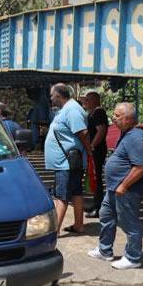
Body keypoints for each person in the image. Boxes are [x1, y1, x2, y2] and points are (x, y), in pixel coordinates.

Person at [87, 103, 143, 269]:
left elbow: (140, 168)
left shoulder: (137, 137)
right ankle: (104, 250)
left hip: (126, 189)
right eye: (113, 115)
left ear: (129, 119)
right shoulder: (126, 134)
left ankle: (133, 257)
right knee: (106, 215)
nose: (113, 118)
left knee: (129, 222)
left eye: (117, 116)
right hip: (114, 188)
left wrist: (123, 186)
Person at [44, 83, 91, 234]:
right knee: (76, 193)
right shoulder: (66, 109)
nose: (51, 99)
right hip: (66, 162)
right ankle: (78, 225)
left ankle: (54, 231)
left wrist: (89, 150)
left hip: (66, 163)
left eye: (52, 95)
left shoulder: (72, 109)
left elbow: (82, 133)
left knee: (61, 196)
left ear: (58, 95)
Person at [83, 91, 109, 218]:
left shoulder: (98, 112)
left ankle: (99, 207)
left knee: (96, 178)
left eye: (87, 100)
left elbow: (101, 130)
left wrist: (92, 146)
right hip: (95, 150)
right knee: (93, 178)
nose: (85, 103)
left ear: (94, 100)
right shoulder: (93, 113)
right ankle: (95, 203)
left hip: (97, 151)